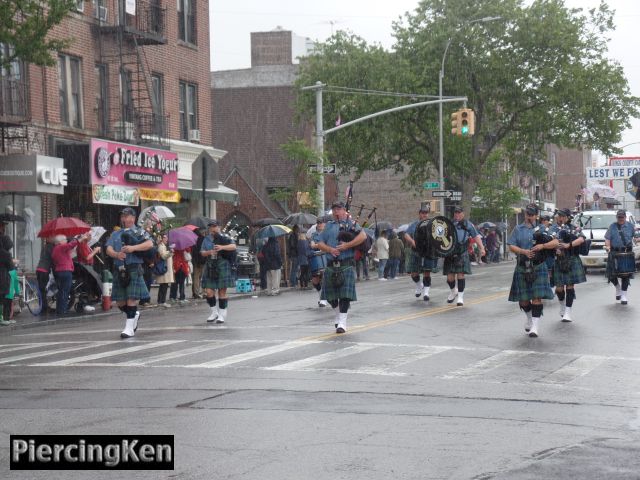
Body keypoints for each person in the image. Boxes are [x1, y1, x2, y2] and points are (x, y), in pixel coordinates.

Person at [507, 203, 558, 337]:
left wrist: (542, 246)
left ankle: (535, 326)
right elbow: (511, 245)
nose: (528, 216)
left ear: (536, 216)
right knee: (523, 300)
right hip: (522, 265)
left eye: (531, 214)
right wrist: (523, 251)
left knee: (536, 298)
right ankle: (529, 317)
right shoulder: (518, 229)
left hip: (538, 266)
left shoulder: (543, 228)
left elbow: (556, 243)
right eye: (527, 214)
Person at [316, 201, 366, 334]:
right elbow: (319, 242)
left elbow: (363, 236)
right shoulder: (328, 227)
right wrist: (330, 249)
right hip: (331, 264)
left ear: (344, 210)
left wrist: (347, 246)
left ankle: (342, 322)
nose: (336, 212)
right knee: (331, 297)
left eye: (338, 209)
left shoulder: (351, 224)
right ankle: (338, 314)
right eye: (334, 209)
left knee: (344, 296)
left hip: (346, 264)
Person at [105, 207, 154, 338]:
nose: (125, 219)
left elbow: (149, 244)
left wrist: (133, 248)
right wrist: (116, 254)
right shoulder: (115, 233)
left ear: (133, 218)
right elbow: (108, 249)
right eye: (123, 216)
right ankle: (134, 315)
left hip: (133, 267)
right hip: (119, 269)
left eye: (127, 216)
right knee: (120, 302)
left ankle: (129, 329)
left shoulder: (139, 231)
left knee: (131, 299)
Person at [444, 206, 485, 306]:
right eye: (455, 213)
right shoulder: (449, 223)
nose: (457, 215)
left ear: (463, 214)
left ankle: (460, 297)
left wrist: (482, 248)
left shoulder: (468, 224)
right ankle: (454, 291)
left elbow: (475, 237)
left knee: (460, 274)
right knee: (450, 277)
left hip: (462, 251)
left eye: (459, 213)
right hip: (450, 251)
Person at [550, 208, 586, 321]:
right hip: (558, 260)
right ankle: (562, 305)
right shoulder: (553, 228)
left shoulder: (574, 228)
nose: (560, 218)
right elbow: (548, 241)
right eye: (559, 216)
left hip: (571, 259)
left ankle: (568, 312)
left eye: (562, 216)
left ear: (567, 217)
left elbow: (581, 239)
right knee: (559, 289)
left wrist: (568, 245)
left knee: (570, 286)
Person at [201, 219, 237, 323]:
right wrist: (208, 252)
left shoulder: (225, 237)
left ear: (219, 227)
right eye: (211, 227)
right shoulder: (206, 239)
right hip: (210, 265)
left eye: (214, 226)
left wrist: (222, 247)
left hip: (222, 264)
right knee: (209, 291)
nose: (213, 228)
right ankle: (214, 312)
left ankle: (222, 314)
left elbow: (233, 246)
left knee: (222, 291)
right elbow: (202, 252)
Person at [404, 203, 438, 302]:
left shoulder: (432, 224)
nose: (425, 215)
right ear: (419, 214)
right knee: (414, 273)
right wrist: (412, 241)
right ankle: (419, 286)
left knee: (427, 273)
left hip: (428, 251)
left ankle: (426, 293)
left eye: (426, 213)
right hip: (416, 251)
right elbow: (406, 235)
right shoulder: (414, 224)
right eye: (423, 213)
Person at [51, 233, 90, 315]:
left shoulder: (56, 249)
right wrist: (81, 238)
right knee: (65, 291)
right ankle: (62, 310)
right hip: (65, 271)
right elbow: (71, 245)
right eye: (65, 239)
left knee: (62, 291)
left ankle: (60, 309)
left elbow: (68, 249)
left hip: (60, 271)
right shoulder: (60, 247)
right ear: (60, 241)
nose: (66, 241)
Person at [605, 209, 636, 305]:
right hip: (614, 252)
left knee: (625, 275)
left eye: (622, 217)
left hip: (627, 253)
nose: (620, 219)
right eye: (619, 217)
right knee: (611, 274)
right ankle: (618, 287)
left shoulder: (631, 226)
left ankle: (624, 295)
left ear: (625, 217)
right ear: (617, 217)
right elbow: (607, 238)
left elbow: (636, 237)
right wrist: (608, 247)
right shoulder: (612, 226)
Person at [308, 217, 329, 307]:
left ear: (325, 224)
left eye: (321, 223)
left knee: (324, 278)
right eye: (318, 223)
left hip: (326, 257)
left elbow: (329, 245)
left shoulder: (328, 233)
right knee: (315, 280)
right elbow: (312, 246)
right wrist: (321, 246)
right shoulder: (314, 234)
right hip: (316, 258)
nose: (320, 224)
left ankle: (323, 299)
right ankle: (321, 294)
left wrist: (319, 246)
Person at [35, 238, 55, 315]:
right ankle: (44, 308)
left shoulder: (44, 247)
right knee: (43, 290)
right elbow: (53, 259)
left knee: (41, 290)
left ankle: (43, 306)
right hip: (44, 270)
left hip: (39, 269)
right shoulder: (51, 247)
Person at [154, 234, 174, 308]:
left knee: (164, 285)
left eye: (167, 237)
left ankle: (161, 301)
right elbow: (163, 256)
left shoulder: (163, 246)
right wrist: (170, 253)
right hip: (164, 269)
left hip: (165, 269)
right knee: (163, 286)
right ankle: (162, 301)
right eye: (165, 237)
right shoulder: (161, 246)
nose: (167, 239)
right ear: (162, 239)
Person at [0, 235, 15, 326]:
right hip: (4, 277)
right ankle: (3, 318)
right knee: (4, 298)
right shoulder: (6, 254)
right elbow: (11, 268)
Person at [191, 229, 206, 299]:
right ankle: (201, 292)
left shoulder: (193, 240)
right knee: (201, 277)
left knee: (196, 277)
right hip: (203, 261)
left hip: (196, 261)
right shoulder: (203, 239)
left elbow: (194, 252)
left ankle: (195, 292)